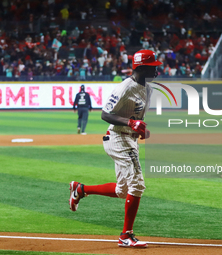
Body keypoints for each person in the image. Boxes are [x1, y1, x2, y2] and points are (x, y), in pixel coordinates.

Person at [69, 50, 162, 248]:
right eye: (153, 66)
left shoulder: (149, 89)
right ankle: (125, 236)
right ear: (141, 68)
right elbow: (105, 114)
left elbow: (138, 118)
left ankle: (81, 189)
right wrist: (130, 123)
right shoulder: (124, 89)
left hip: (129, 140)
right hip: (117, 138)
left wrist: (140, 128)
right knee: (137, 184)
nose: (157, 69)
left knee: (123, 191)